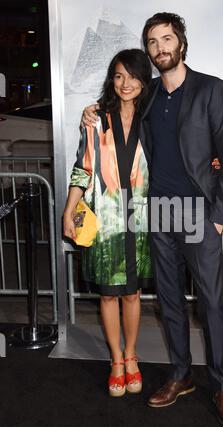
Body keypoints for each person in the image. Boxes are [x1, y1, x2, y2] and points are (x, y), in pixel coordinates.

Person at [82, 12, 223, 427]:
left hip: (200, 214)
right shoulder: (149, 92)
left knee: (210, 304)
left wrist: (219, 218)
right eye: (152, 42)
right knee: (169, 302)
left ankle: (222, 385)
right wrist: (92, 111)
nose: (160, 48)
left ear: (182, 43)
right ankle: (180, 374)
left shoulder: (212, 89)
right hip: (157, 211)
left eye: (167, 39)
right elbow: (118, 102)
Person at [64, 49, 153, 397]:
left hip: (143, 220)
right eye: (118, 76)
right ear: (111, 80)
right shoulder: (97, 118)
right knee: (108, 295)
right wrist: (69, 210)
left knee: (132, 294)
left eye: (131, 76)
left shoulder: (154, 118)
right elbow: (83, 167)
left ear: (144, 79)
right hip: (106, 219)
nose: (125, 83)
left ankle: (132, 355)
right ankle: (116, 360)